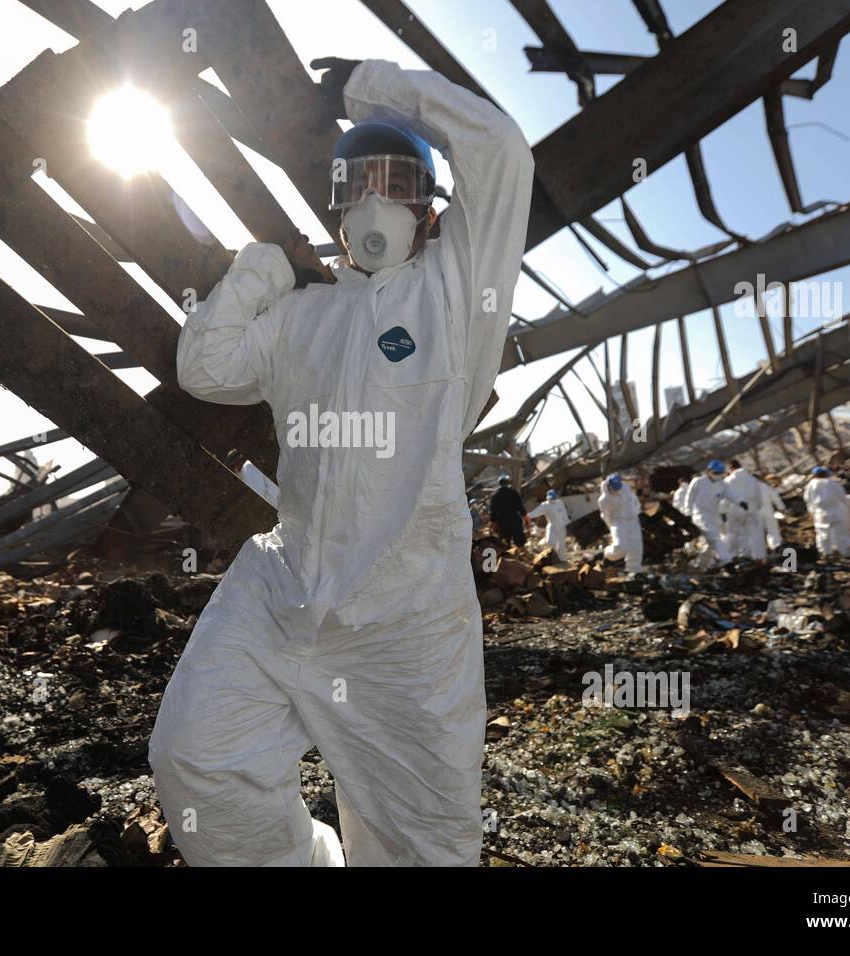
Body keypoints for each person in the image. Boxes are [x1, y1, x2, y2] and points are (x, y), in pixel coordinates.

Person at [149, 55, 534, 867]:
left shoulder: (456, 295)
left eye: (396, 180)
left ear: (428, 210)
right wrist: (258, 271)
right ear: (333, 205)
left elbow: (501, 150)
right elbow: (207, 367)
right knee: (197, 760)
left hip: (406, 616)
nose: (373, 200)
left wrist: (372, 86)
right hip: (282, 587)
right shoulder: (300, 317)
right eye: (355, 182)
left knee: (423, 840)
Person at [683, 459, 736, 567]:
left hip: (713, 516)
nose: (717, 475)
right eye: (716, 473)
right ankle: (727, 561)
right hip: (700, 515)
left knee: (710, 543)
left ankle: (701, 565)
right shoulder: (698, 482)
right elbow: (689, 497)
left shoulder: (722, 484)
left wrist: (741, 502)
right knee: (714, 537)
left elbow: (732, 495)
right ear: (709, 471)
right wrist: (687, 512)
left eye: (719, 473)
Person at [803, 465, 850, 558]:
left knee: (823, 534)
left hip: (820, 512)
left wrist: (812, 511)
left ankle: (826, 553)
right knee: (841, 533)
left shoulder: (810, 486)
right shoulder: (833, 483)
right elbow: (842, 497)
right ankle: (845, 552)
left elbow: (808, 500)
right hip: (836, 511)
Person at [598, 472, 643, 573]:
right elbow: (606, 516)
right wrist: (611, 527)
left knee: (636, 546)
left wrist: (638, 511)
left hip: (632, 519)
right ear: (609, 487)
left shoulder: (625, 487)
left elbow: (633, 500)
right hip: (617, 521)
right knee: (620, 546)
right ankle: (607, 553)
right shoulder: (604, 499)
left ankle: (634, 571)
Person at [723, 458, 765, 560]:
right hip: (752, 507)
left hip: (735, 509)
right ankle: (759, 556)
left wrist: (723, 511)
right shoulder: (752, 479)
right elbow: (758, 496)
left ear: (730, 468)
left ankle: (737, 556)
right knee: (755, 533)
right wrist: (757, 507)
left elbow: (725, 498)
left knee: (735, 533)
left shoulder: (728, 481)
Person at [527, 488, 569, 561]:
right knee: (550, 542)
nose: (551, 500)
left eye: (553, 498)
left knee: (561, 546)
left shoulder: (560, 503)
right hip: (551, 526)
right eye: (550, 499)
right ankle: (552, 558)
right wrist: (526, 515)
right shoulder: (545, 505)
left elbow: (564, 514)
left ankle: (562, 561)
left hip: (562, 527)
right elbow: (535, 513)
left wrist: (568, 523)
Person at [489, 476, 529, 547]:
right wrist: (525, 518)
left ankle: (508, 556)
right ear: (507, 483)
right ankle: (521, 554)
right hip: (515, 520)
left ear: (499, 484)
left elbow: (493, 512)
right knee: (520, 543)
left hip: (503, 522)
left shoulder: (495, 496)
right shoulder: (513, 493)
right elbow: (520, 507)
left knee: (505, 544)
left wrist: (493, 523)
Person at [758, 474, 787, 551]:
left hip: (755, 513)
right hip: (767, 510)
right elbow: (775, 497)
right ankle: (776, 546)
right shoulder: (764, 486)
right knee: (772, 530)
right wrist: (781, 508)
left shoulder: (747, 488)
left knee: (760, 532)